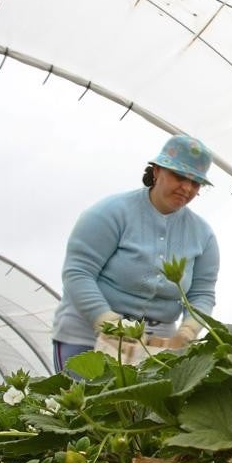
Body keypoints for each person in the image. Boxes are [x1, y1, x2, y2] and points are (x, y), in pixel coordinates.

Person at [51, 134, 221, 374]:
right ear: (157, 171)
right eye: (179, 176)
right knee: (86, 409)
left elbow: (202, 294)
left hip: (157, 346)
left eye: (195, 183)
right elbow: (78, 273)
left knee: (140, 411)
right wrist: (110, 325)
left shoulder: (203, 235)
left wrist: (186, 333)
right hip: (87, 335)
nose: (187, 187)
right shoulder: (110, 213)